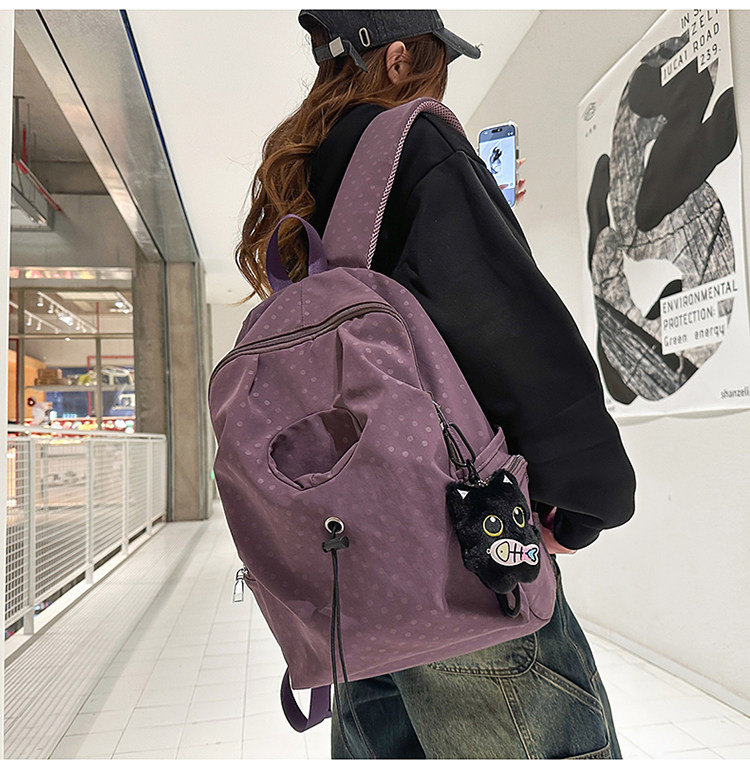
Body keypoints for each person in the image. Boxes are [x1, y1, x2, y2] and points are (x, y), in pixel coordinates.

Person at [235, 9, 636, 760]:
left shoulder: (303, 183)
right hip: (462, 555)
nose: (439, 84)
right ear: (395, 60)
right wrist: (586, 493)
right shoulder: (414, 140)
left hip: (352, 588)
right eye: (433, 65)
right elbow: (500, 323)